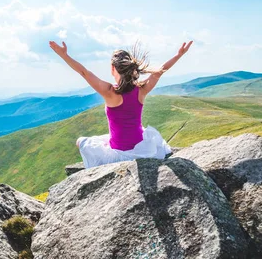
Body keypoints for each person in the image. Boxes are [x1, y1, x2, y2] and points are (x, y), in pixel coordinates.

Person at [48, 40, 193, 168]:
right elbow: (158, 73)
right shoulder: (141, 89)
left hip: (120, 152)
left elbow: (84, 73)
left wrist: (63, 55)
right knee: (109, 136)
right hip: (142, 148)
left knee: (81, 141)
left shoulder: (110, 92)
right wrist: (179, 55)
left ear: (112, 68)